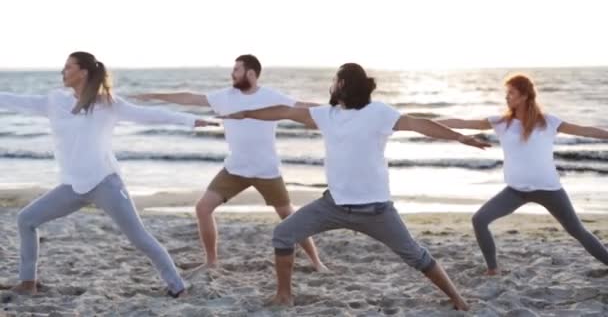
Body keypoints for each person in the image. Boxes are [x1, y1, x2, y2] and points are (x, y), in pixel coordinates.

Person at [221, 63, 491, 310]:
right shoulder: (327, 115)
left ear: (343, 85)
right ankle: (284, 295)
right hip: (333, 205)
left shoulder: (379, 113)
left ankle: (458, 299)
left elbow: (419, 124)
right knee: (283, 234)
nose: (332, 85)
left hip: (376, 211)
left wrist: (459, 137)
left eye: (336, 80)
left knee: (415, 256)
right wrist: (246, 113)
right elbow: (286, 111)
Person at [1, 51, 216, 296]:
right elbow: (12, 99)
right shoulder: (55, 101)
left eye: (68, 67)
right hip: (72, 187)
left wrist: (191, 121)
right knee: (26, 219)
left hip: (105, 183)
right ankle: (28, 283)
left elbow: (148, 115)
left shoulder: (109, 105)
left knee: (139, 237)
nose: (63, 71)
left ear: (83, 72)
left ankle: (178, 287)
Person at [130, 55, 326, 271]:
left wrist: (337, 110)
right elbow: (191, 98)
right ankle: (211, 261)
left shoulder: (270, 96)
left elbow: (302, 106)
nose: (232, 74)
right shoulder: (225, 96)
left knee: (289, 216)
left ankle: (317, 262)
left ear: (251, 73)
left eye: (237, 70)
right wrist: (154, 96)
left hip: (266, 170)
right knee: (203, 208)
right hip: (235, 169)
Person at [438, 74, 608, 275]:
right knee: (479, 220)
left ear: (525, 96)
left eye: (511, 93)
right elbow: (463, 122)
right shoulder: (501, 123)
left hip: (549, 190)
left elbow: (585, 131)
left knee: (577, 231)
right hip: (516, 191)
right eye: (506, 93)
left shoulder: (549, 122)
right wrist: (425, 123)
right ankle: (493, 268)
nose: (507, 97)